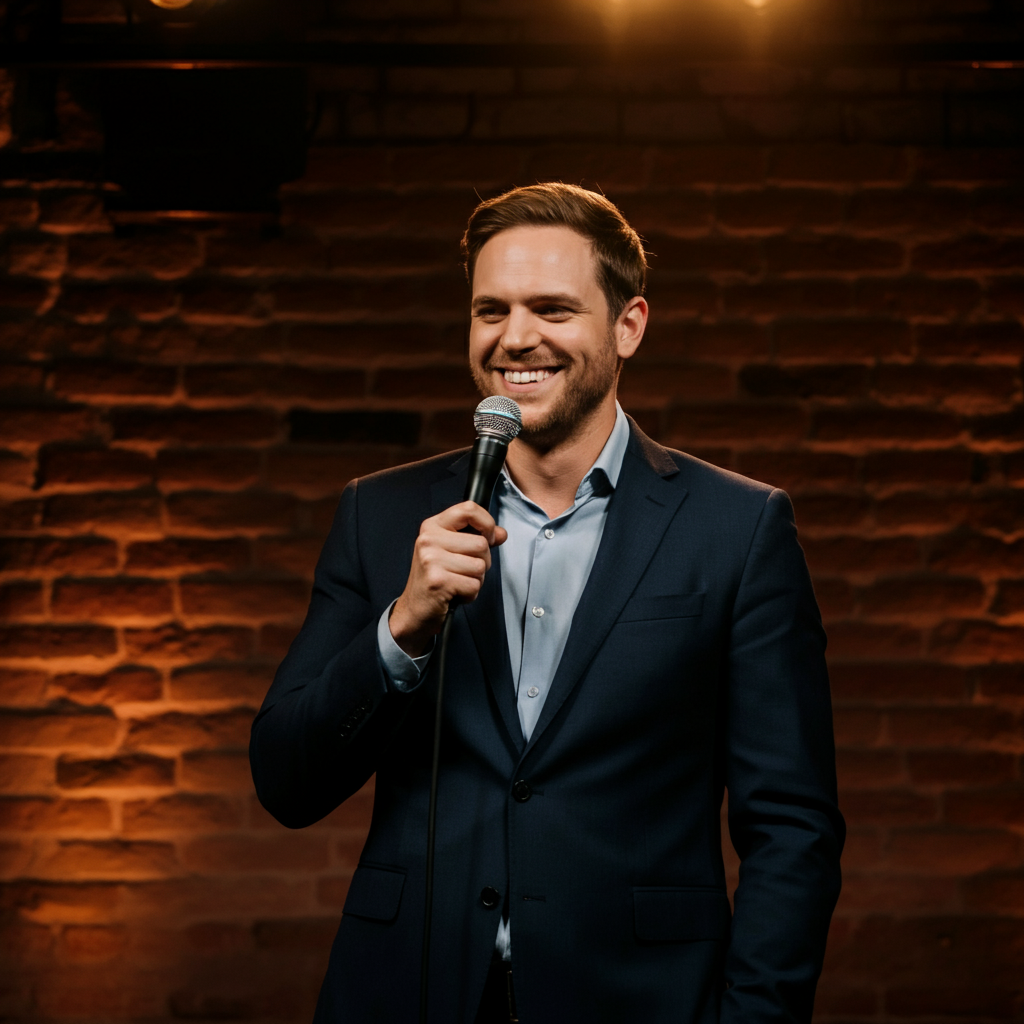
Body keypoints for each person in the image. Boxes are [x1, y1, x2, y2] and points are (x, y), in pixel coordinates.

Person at [250, 183, 845, 1024]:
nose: (515, 337)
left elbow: (793, 828)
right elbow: (286, 782)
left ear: (628, 326)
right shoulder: (379, 515)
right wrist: (401, 630)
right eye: (490, 310)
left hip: (640, 1003)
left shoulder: (738, 528)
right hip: (405, 996)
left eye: (553, 309)